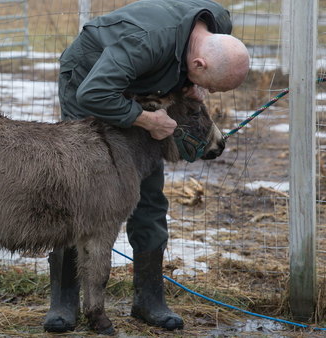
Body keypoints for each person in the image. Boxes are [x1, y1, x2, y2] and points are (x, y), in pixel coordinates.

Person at [44, 0, 250, 333]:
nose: (207, 92)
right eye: (210, 85)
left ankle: (148, 298)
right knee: (82, 187)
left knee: (147, 188)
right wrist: (145, 120)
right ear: (198, 61)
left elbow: (204, 67)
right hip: (90, 80)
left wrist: (190, 87)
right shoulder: (144, 43)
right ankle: (65, 300)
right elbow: (93, 93)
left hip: (148, 79)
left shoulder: (219, 26)